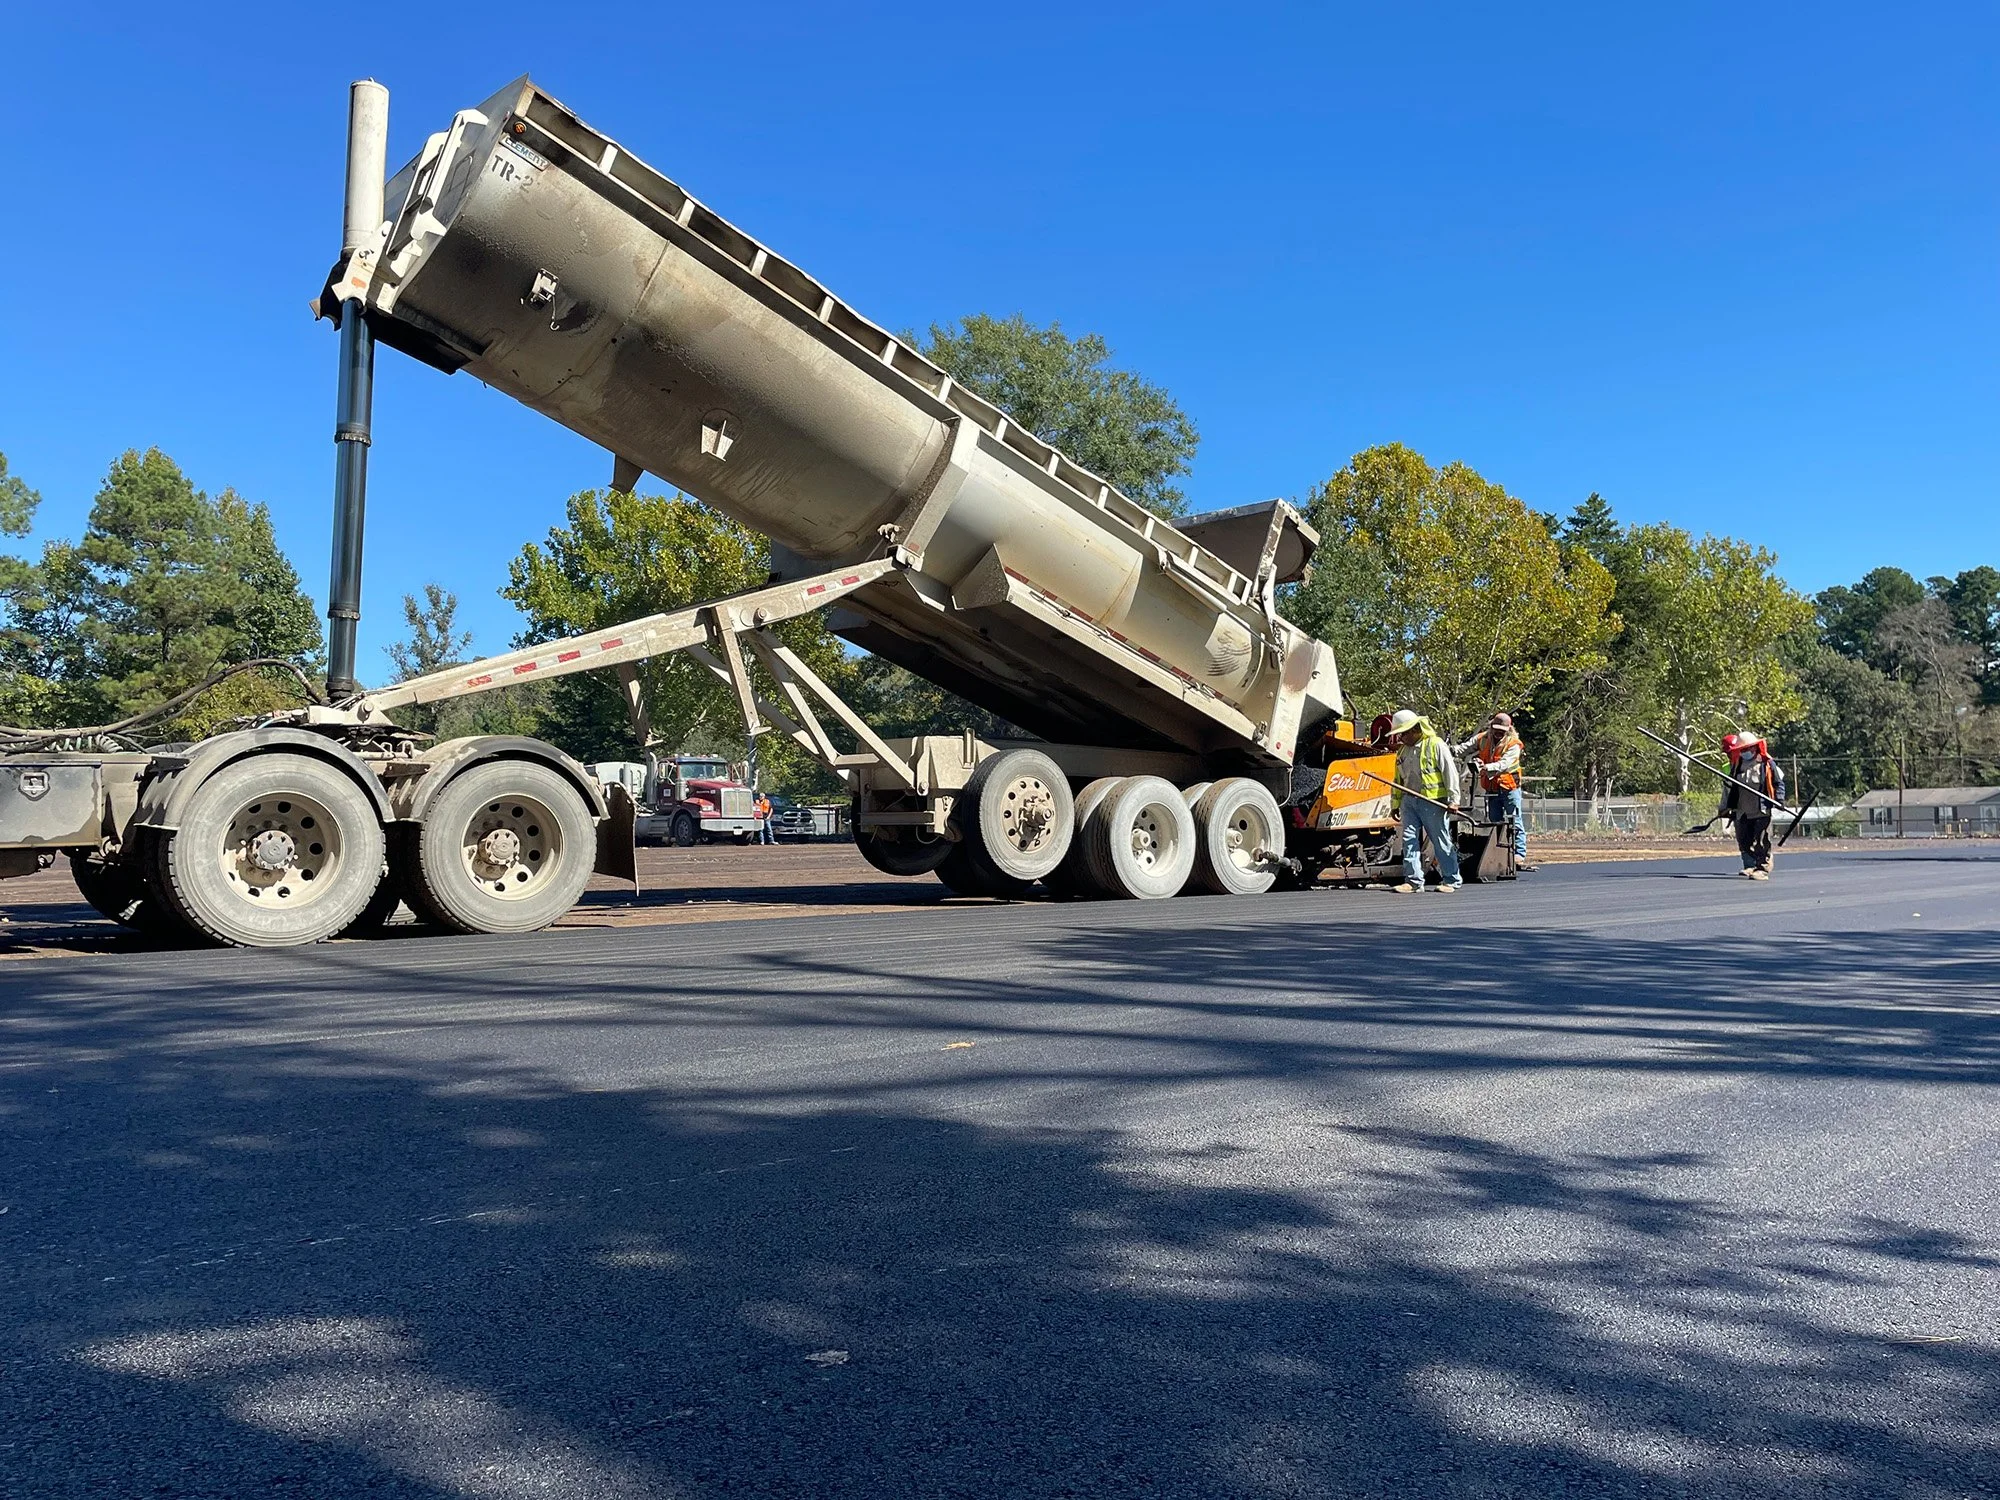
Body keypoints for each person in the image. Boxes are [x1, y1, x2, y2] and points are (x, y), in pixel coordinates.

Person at [1385, 708, 1462, 893]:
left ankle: (1451, 879)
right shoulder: (1402, 752)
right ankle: (1413, 881)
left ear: (1414, 730)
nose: (1400, 738)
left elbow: (1449, 773)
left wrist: (1454, 799)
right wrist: (1395, 804)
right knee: (1408, 840)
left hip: (1433, 801)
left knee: (1440, 840)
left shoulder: (1436, 745)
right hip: (1409, 801)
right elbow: (1398, 780)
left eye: (1402, 734)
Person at [1452, 711, 1534, 872]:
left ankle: (1519, 854)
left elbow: (1504, 764)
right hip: (1491, 788)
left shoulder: (1513, 744)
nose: (1497, 733)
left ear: (1508, 729)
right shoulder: (1483, 739)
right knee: (1495, 822)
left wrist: (1486, 767)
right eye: (1495, 729)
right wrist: (1450, 750)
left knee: (1514, 821)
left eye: (1501, 731)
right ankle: (1500, 854)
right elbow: (1464, 748)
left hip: (1509, 788)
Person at [1718, 731, 1785, 880]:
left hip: (1760, 809)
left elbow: (1779, 783)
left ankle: (1763, 868)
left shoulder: (1767, 764)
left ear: (1755, 747)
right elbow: (1729, 788)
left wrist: (1780, 800)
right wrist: (1725, 807)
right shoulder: (1737, 765)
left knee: (1761, 840)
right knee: (1744, 840)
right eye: (1742, 750)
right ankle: (1752, 865)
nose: (1745, 752)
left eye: (1747, 749)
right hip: (1742, 810)